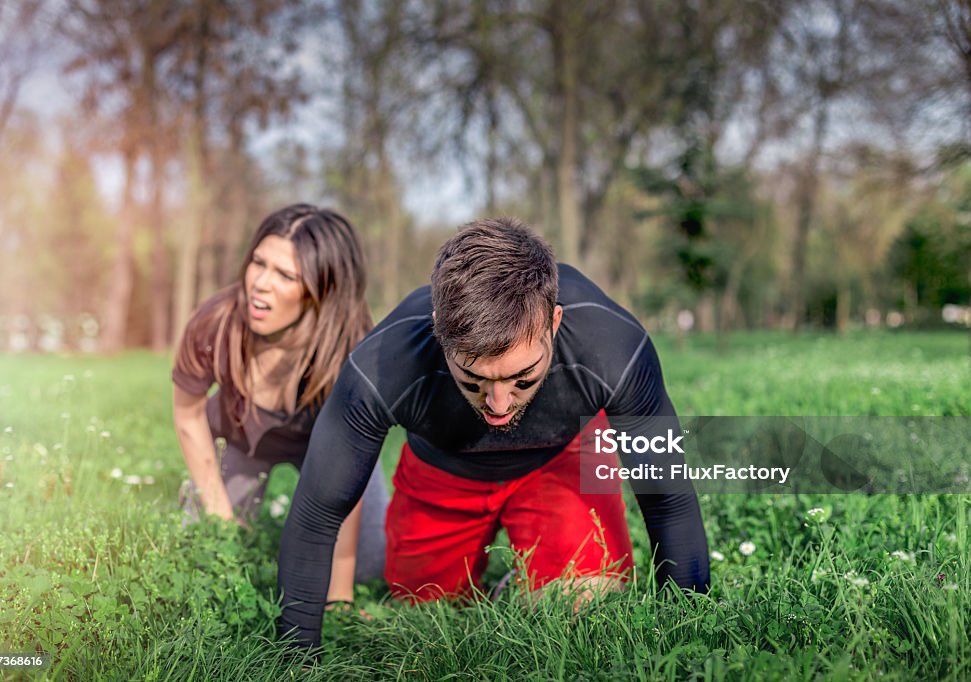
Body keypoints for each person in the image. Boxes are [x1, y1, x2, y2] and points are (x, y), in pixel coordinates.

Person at [277, 217, 709, 648]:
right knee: (426, 613)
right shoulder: (382, 364)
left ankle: (537, 591)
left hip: (559, 459)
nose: (499, 406)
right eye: (474, 380)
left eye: (522, 378)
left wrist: (689, 632)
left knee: (588, 607)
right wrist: (296, 658)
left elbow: (667, 497)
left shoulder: (613, 346)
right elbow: (317, 514)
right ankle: (510, 589)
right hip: (442, 470)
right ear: (438, 331)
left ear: (554, 324)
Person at [172, 203, 388, 601]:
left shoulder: (355, 346)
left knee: (371, 567)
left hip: (327, 449)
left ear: (322, 290)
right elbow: (188, 414)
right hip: (240, 441)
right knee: (202, 554)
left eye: (286, 274)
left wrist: (338, 595)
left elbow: (351, 460)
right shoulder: (214, 323)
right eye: (259, 263)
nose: (260, 283)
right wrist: (220, 512)